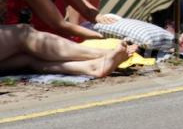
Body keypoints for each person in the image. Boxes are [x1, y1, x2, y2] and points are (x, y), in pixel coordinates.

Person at [0, 24, 137, 78]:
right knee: (23, 33)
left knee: (27, 58)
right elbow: (57, 21)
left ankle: (92, 67)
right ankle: (103, 54)